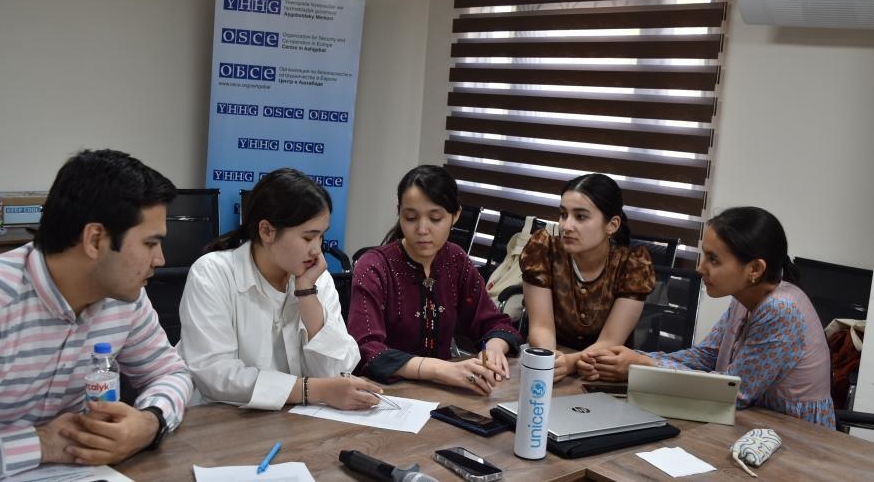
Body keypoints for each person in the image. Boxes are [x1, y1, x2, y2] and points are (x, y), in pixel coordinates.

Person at [0, 149, 193, 480]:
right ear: (95, 239)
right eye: (150, 243)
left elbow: (171, 373)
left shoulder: (123, 299)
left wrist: (151, 421)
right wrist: (41, 445)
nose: (160, 260)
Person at [584, 207, 835, 428]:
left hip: (798, 435)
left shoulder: (780, 309)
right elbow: (706, 356)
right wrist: (638, 359)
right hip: (756, 422)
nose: (700, 268)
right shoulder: (745, 298)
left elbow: (734, 392)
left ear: (755, 269)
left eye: (713, 259)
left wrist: (644, 366)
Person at [177, 168, 381, 411]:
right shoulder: (213, 273)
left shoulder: (317, 279)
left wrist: (307, 295)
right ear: (267, 231)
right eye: (308, 238)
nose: (317, 250)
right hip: (222, 420)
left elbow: (337, 373)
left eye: (321, 237)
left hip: (295, 420)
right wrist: (313, 390)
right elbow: (215, 376)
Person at [347, 165, 521, 396]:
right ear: (399, 213)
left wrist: (494, 348)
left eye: (435, 218)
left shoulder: (455, 260)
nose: (422, 229)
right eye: (410, 218)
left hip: (443, 393)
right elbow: (366, 349)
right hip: (384, 395)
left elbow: (493, 322)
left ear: (455, 215)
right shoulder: (374, 267)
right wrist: (441, 370)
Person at [520, 173, 655, 381]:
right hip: (550, 365)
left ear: (612, 225)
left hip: (601, 372)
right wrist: (550, 361)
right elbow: (541, 326)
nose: (566, 226)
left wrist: (570, 363)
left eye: (580, 217)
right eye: (563, 214)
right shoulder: (543, 250)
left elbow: (611, 341)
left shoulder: (633, 265)